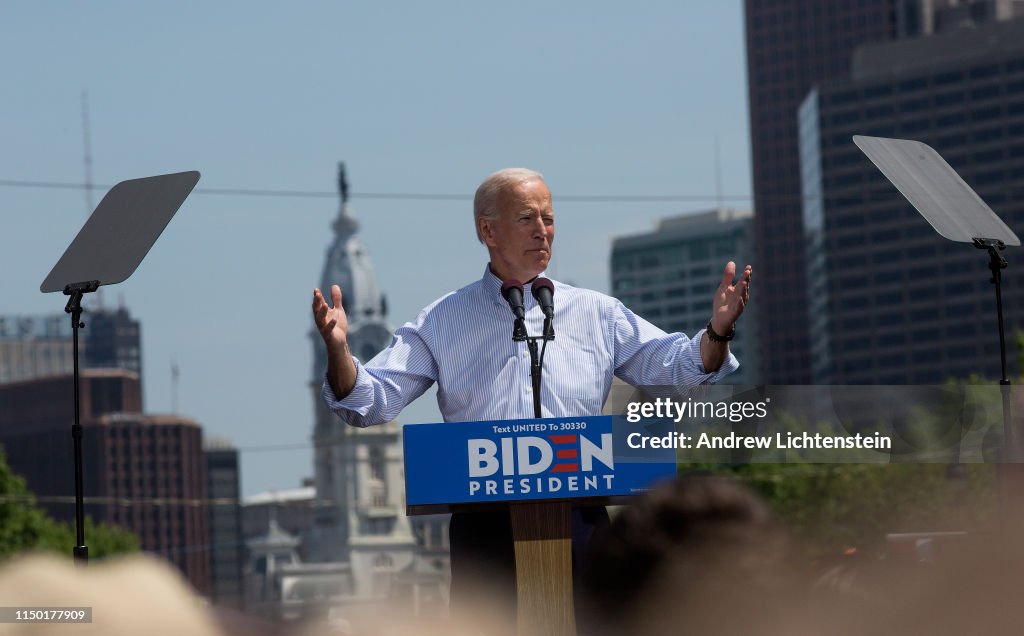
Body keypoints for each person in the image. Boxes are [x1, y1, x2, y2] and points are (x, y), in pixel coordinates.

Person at [312, 167, 752, 624]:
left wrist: (719, 332)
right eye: (527, 218)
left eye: (549, 218)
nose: (543, 231)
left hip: (581, 521)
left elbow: (679, 370)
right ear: (488, 230)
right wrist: (340, 352)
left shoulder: (596, 312)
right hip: (486, 529)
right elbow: (369, 401)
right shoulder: (442, 321)